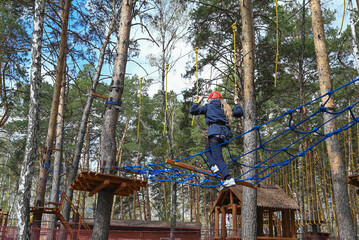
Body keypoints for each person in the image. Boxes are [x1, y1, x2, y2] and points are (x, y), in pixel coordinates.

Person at [190, 91, 243, 187]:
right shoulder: (225, 108)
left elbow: (192, 111)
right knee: (207, 150)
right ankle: (213, 165)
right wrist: (236, 103)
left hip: (214, 134)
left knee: (218, 157)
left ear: (210, 99)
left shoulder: (208, 107)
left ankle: (228, 178)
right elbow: (239, 112)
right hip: (225, 135)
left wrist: (198, 101)